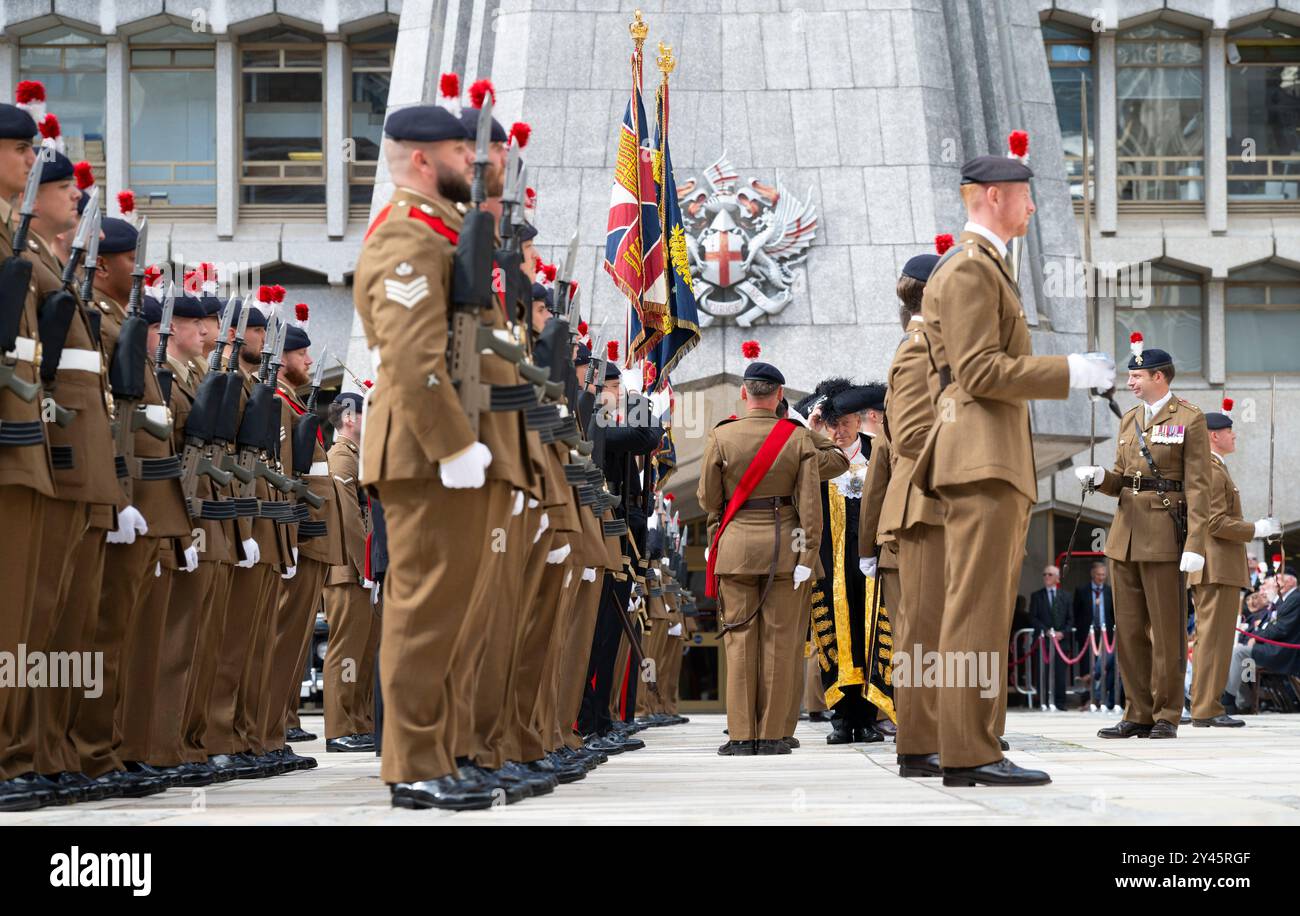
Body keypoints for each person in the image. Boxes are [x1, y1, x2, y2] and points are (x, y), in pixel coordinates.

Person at [912, 152, 1113, 786]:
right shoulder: (971, 270)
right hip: (980, 455)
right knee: (976, 608)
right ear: (995, 196)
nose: (1032, 206)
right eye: (1026, 195)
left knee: (984, 607)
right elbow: (978, 372)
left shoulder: (986, 267)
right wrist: (1069, 371)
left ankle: (975, 745)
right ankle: (970, 753)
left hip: (986, 456)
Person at [353, 100, 499, 811]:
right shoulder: (408, 236)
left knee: (447, 612)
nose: (472, 162)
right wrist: (451, 445)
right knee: (420, 607)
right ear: (421, 159)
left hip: (446, 447)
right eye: (458, 152)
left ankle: (435, 753)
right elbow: (413, 358)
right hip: (422, 448)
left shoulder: (440, 231)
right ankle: (411, 762)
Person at [1076, 337, 1210, 740]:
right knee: (1129, 630)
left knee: (1167, 630)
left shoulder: (1190, 418)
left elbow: (1200, 487)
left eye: (1136, 375)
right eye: (1129, 376)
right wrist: (1101, 479)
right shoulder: (1129, 418)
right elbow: (1122, 479)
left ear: (1158, 376)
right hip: (1125, 535)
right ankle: (1137, 711)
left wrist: (1196, 545)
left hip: (1165, 535)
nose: (1130, 382)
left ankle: (1167, 712)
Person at [698, 358, 822, 756]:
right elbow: (809, 505)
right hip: (785, 548)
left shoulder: (721, 437)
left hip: (735, 549)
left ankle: (740, 735)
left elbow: (707, 499)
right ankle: (771, 735)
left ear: (743, 394)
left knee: (739, 641)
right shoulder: (797, 437)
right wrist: (808, 554)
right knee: (780, 643)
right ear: (780, 396)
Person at [875, 247, 947, 777]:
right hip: (927, 501)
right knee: (922, 631)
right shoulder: (920, 350)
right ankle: (919, 743)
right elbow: (918, 436)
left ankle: (942, 733)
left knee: (939, 630)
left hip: (937, 501)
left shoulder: (934, 347)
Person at [1187, 400, 1279, 727]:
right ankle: (1206, 708)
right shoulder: (1211, 470)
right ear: (1213, 436)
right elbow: (1215, 521)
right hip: (1216, 566)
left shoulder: (1215, 467)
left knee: (1214, 639)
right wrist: (1256, 529)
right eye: (1228, 431)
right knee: (1214, 639)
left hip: (1216, 566)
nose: (1234, 436)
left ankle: (1204, 705)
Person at [322, 392, 379, 751]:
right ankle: (340, 728)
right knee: (346, 650)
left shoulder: (359, 457)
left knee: (365, 650)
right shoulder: (341, 458)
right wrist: (367, 566)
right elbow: (349, 519)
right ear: (348, 418)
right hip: (349, 568)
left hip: (363, 569)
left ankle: (359, 722)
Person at [1224, 567, 1300, 712]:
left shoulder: (1295, 598)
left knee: (1240, 653)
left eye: (1278, 580)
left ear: (1290, 581)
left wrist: (1257, 637)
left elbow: (1281, 628)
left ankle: (1229, 700)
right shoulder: (1286, 599)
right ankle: (1238, 701)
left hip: (1284, 651)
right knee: (1239, 654)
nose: (1275, 584)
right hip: (1276, 647)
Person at [1072, 562, 1118, 711]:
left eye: (1103, 575)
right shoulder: (1081, 591)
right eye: (1098, 575)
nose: (1101, 578)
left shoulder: (1110, 591)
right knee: (1087, 665)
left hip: (1106, 635)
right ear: (1093, 574)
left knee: (1106, 665)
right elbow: (1075, 613)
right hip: (1088, 634)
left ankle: (1101, 698)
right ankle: (1087, 701)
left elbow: (1113, 613)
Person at [1029, 565, 1072, 711]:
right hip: (1043, 642)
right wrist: (1046, 631)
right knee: (1043, 673)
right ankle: (1044, 701)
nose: (1046, 577)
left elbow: (1070, 619)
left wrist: (1063, 633)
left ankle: (1060, 702)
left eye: (1050, 574)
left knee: (1060, 674)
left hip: (1061, 642)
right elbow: (1033, 618)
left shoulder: (1066, 596)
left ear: (1057, 578)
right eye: (1044, 574)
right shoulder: (1037, 596)